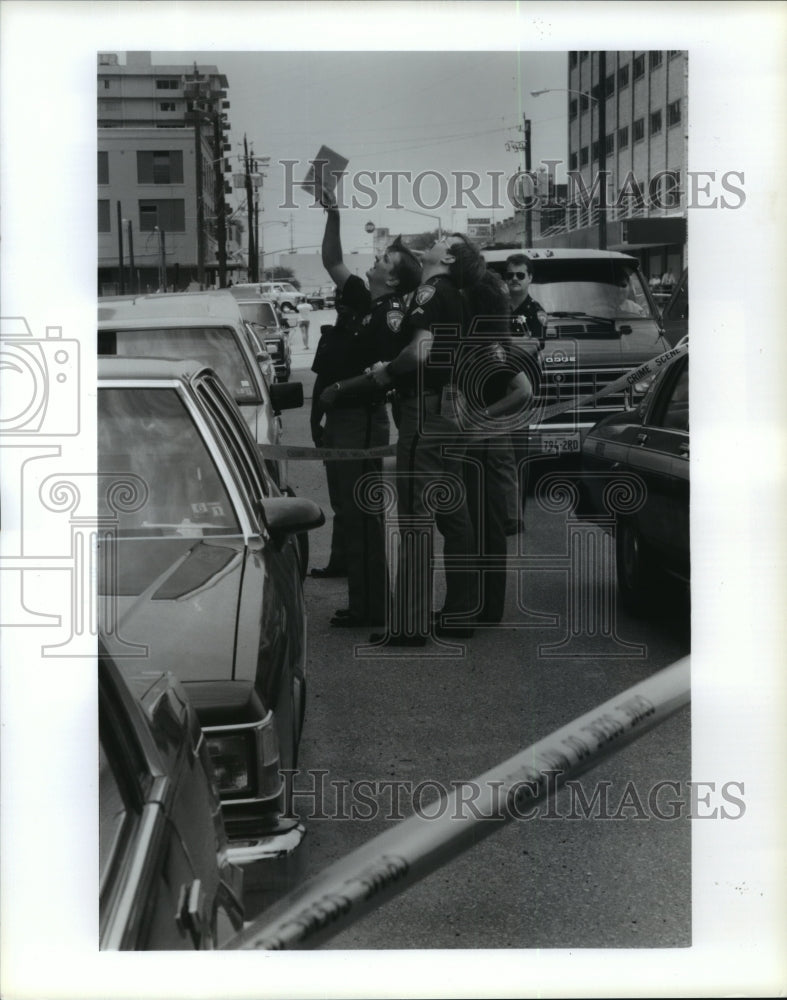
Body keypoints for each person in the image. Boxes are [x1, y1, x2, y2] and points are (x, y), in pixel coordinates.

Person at [341, 233, 487, 645]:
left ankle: (409, 622)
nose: (435, 241)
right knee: (453, 513)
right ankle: (460, 612)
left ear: (450, 257)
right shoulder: (457, 294)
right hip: (453, 405)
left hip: (423, 408)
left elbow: (421, 351)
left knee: (415, 515)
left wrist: (387, 371)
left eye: (444, 240)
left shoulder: (428, 291)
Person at [314, 201, 421, 628]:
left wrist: (341, 388)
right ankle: (363, 601)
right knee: (352, 511)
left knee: (363, 514)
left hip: (362, 421)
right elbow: (331, 259)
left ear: (392, 278)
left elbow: (386, 375)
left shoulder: (391, 316)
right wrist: (333, 213)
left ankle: (372, 604)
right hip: (344, 421)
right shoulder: (363, 299)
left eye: (382, 260)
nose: (374, 261)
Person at [459, 270, 533, 625]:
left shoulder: (490, 346)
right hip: (482, 445)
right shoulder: (481, 341)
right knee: (482, 528)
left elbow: (523, 391)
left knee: (486, 530)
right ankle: (486, 607)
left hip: (485, 445)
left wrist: (481, 415)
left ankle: (488, 609)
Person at [502, 254, 545, 535]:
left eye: (520, 275)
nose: (514, 280)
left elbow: (533, 344)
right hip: (495, 391)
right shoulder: (498, 308)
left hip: (522, 392)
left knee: (518, 456)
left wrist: (501, 349)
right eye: (510, 275)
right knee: (497, 456)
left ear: (530, 278)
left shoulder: (536, 311)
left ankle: (516, 517)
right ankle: (500, 512)